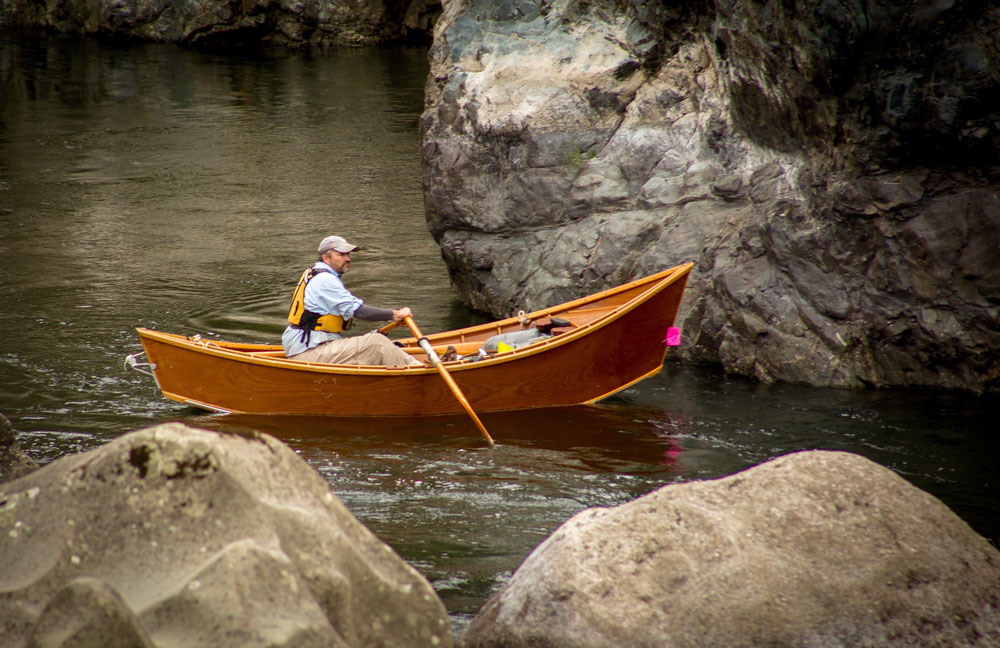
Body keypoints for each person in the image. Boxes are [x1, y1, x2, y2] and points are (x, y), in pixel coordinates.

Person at [282, 235, 423, 366]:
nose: (348, 258)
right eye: (341, 255)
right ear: (326, 258)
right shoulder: (325, 280)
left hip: (309, 347)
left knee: (385, 342)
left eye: (348, 254)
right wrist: (395, 314)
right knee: (377, 342)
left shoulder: (316, 273)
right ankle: (421, 370)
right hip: (309, 352)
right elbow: (359, 311)